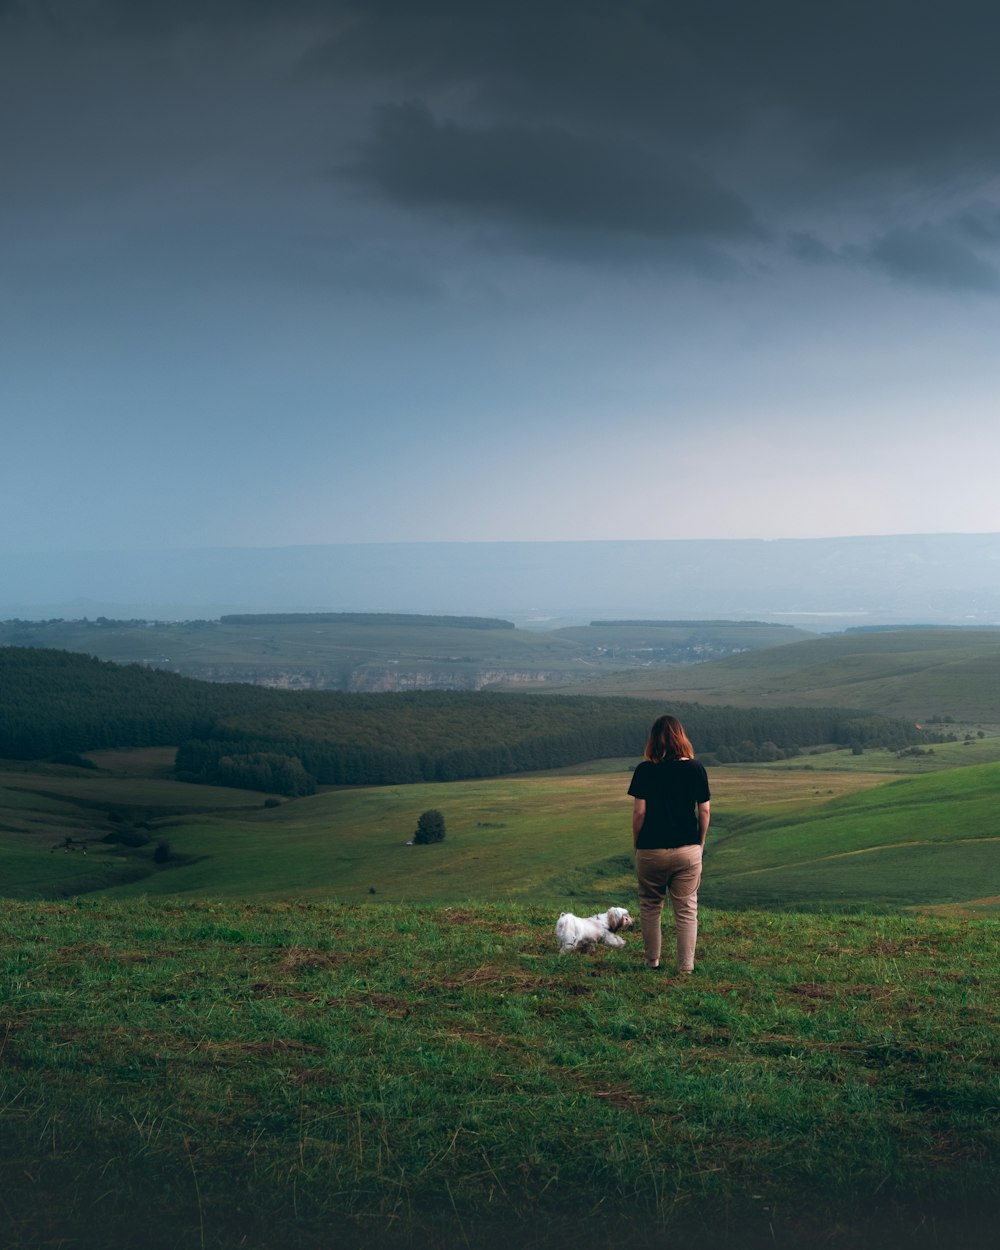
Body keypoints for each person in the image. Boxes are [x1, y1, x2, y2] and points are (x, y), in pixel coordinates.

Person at [627, 714, 710, 974]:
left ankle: (652, 962)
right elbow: (705, 811)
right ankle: (685, 968)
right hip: (687, 849)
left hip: (651, 849)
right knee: (686, 908)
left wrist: (638, 844)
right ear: (681, 737)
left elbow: (639, 813)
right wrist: (700, 843)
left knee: (651, 905)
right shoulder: (696, 768)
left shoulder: (644, 770)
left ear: (654, 740)